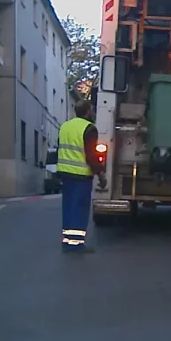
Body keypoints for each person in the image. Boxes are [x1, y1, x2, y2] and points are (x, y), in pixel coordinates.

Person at [56, 100, 107, 253]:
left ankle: (67, 241)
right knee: (80, 208)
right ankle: (76, 244)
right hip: (81, 175)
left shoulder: (65, 126)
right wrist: (101, 174)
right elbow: (91, 155)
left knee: (69, 206)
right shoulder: (89, 128)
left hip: (65, 173)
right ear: (87, 112)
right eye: (91, 109)